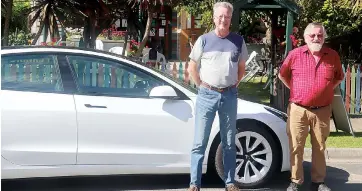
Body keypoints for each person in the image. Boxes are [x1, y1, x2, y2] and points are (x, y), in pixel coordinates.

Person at [186, 2, 248, 191]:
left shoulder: (238, 41)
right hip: (206, 95)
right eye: (220, 16)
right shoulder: (204, 40)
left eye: (227, 17)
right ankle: (194, 183)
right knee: (199, 142)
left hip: (229, 95)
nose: (223, 20)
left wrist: (231, 86)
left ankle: (230, 181)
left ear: (231, 18)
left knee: (229, 141)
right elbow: (192, 67)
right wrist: (202, 86)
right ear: (214, 18)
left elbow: (241, 69)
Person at [278, 22, 344, 191]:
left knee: (320, 147)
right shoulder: (295, 54)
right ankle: (295, 181)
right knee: (295, 145)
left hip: (322, 110)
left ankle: (318, 182)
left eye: (320, 35)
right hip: (298, 109)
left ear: (324, 37)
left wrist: (326, 89)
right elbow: (282, 75)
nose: (316, 38)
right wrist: (295, 89)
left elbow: (339, 77)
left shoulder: (332, 55)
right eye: (312, 35)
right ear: (306, 37)